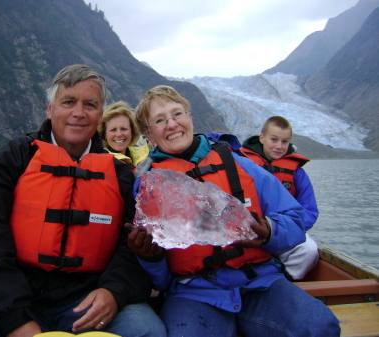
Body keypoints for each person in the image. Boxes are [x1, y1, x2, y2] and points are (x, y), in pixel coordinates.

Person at [0, 64, 166, 337]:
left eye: (90, 104)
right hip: (14, 294)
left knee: (147, 331)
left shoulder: (121, 175)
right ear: (49, 109)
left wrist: (113, 292)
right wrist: (14, 319)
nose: (78, 113)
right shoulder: (13, 159)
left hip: (89, 297)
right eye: (68, 102)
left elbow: (133, 250)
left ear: (100, 114)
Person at [125, 85, 340, 337]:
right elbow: (160, 281)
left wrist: (270, 231)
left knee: (320, 326)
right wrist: (150, 257)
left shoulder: (238, 162)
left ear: (190, 118)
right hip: (193, 292)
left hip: (260, 282)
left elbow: (295, 219)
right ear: (148, 134)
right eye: (160, 120)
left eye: (177, 114)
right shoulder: (146, 184)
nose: (172, 124)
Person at [240, 116, 319, 280]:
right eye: (274, 140)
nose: (279, 146)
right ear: (262, 138)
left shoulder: (296, 172)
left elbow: (309, 210)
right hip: (248, 229)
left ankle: (283, 279)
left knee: (310, 250)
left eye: (284, 141)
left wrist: (286, 231)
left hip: (284, 230)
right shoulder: (241, 164)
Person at [98, 101, 149, 167]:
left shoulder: (145, 154)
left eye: (124, 129)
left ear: (132, 131)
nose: (119, 134)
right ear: (105, 134)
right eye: (113, 130)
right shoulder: (100, 163)